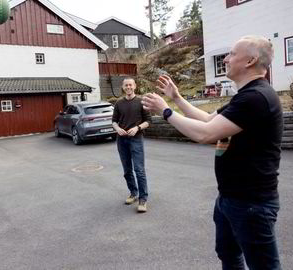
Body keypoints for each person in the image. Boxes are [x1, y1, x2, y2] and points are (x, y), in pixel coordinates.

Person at [142, 36, 283, 269]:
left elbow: (206, 133)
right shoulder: (245, 96)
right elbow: (209, 119)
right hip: (230, 198)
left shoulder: (257, 97)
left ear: (250, 60)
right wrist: (176, 98)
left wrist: (166, 111)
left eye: (232, 54)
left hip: (252, 204)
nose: (226, 59)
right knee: (228, 254)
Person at [112, 78, 152, 213]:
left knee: (139, 170)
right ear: (123, 87)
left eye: (130, 85)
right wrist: (117, 129)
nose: (128, 87)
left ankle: (143, 199)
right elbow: (114, 121)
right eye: (126, 85)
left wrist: (137, 128)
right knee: (127, 170)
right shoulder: (119, 103)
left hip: (136, 139)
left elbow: (148, 121)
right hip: (121, 140)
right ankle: (133, 193)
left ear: (134, 86)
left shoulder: (141, 101)